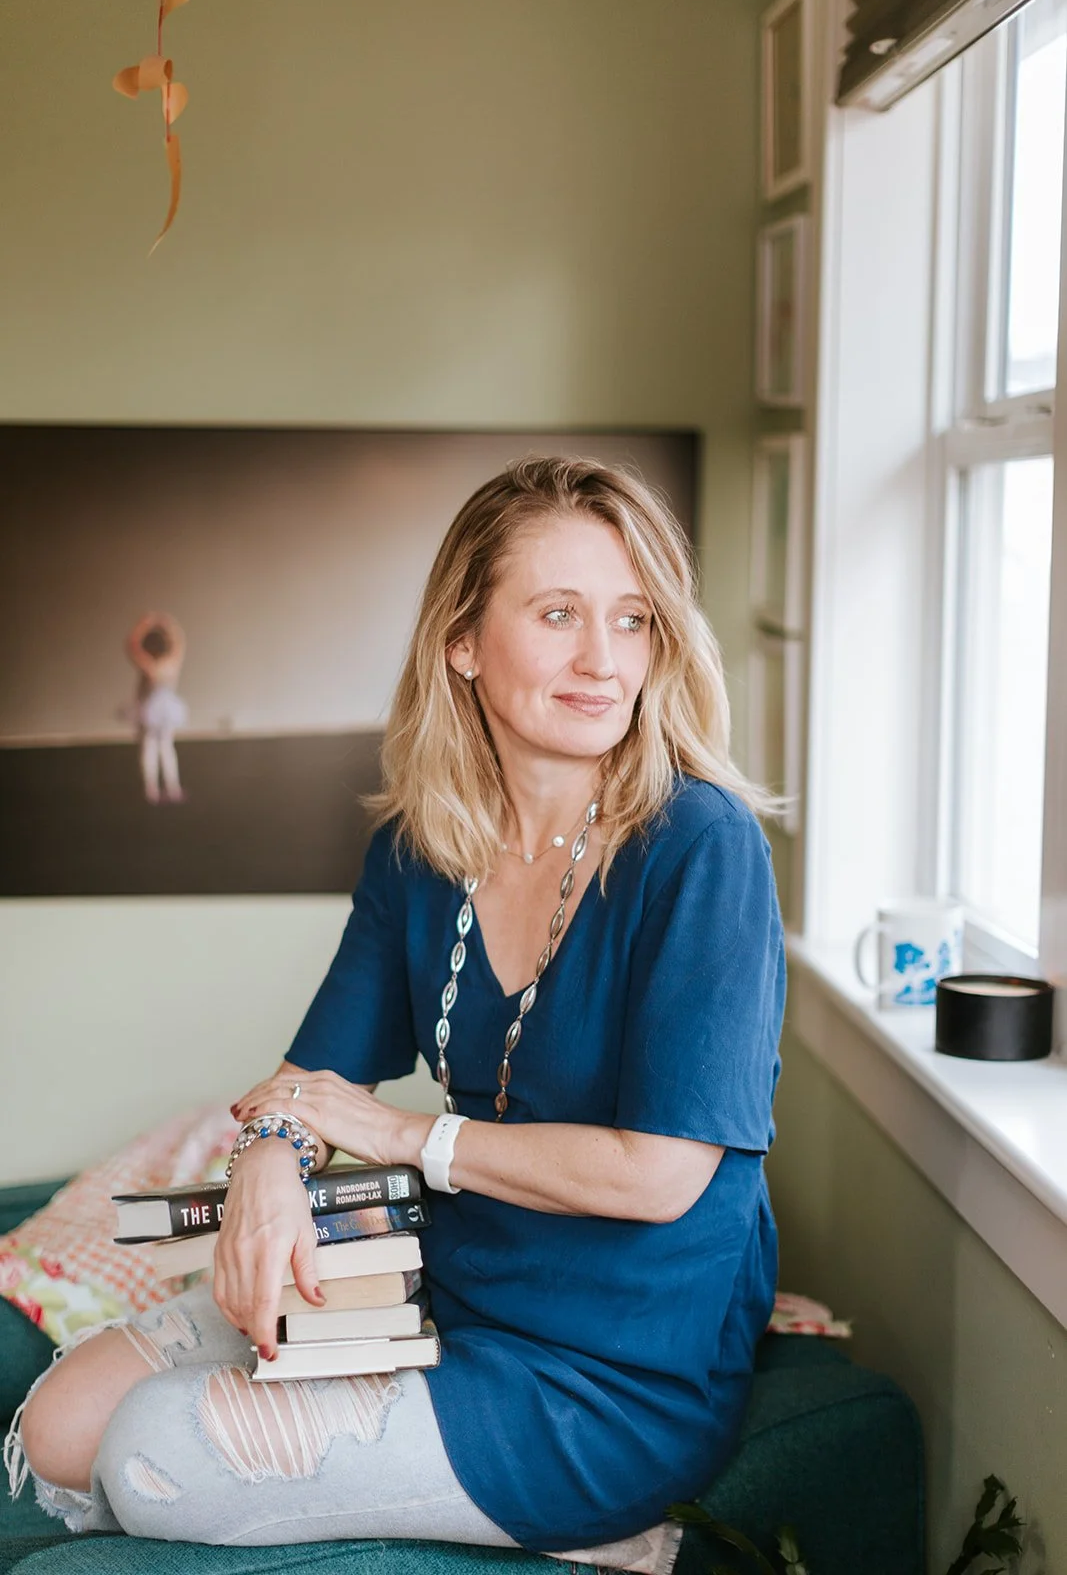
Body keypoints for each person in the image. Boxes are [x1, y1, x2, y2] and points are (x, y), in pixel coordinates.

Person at [13, 457, 787, 1553]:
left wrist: (396, 1135)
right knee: (59, 1423)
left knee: (152, 1451)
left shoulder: (701, 846)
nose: (600, 660)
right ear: (462, 642)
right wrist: (269, 1175)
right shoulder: (419, 850)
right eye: (558, 613)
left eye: (631, 619)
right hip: (442, 1275)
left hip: (608, 1364)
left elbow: (659, 1174)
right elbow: (307, 1078)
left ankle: (607, 1535)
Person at [124, 611, 189, 804]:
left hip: (152, 709)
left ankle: (151, 790)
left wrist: (144, 624)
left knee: (149, 746)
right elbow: (180, 644)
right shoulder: (172, 664)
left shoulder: (150, 666)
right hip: (167, 710)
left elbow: (132, 647)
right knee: (166, 747)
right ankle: (172, 788)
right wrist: (169, 625)